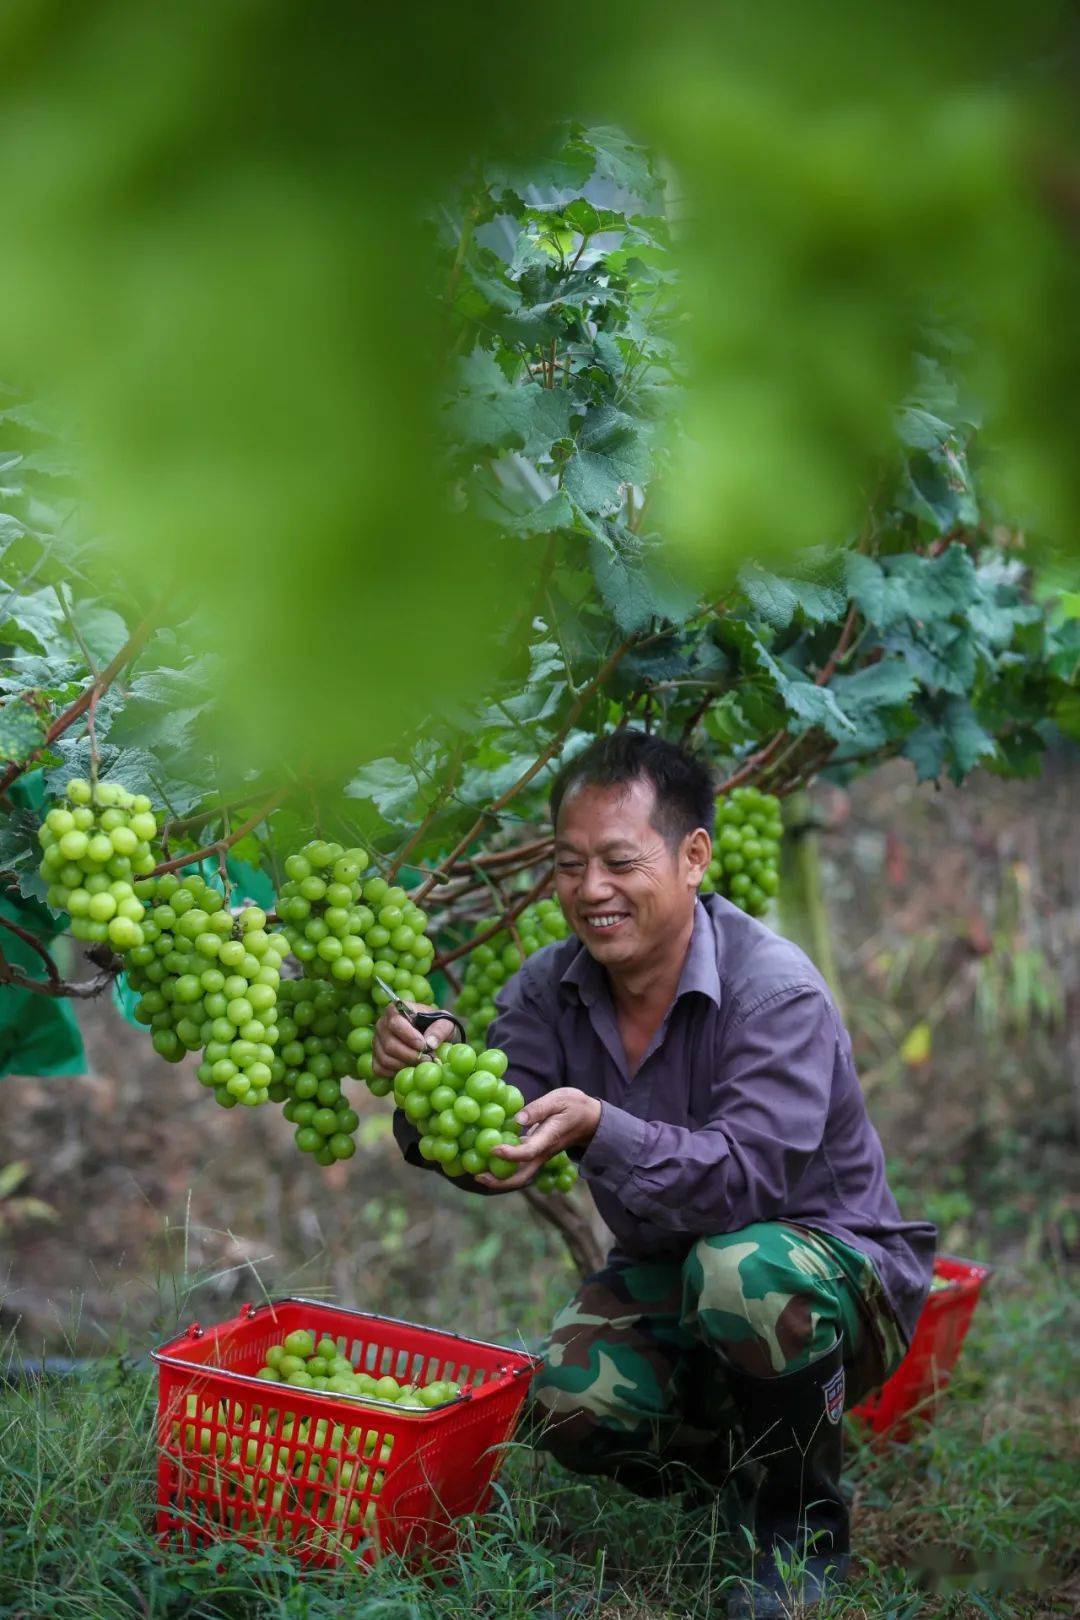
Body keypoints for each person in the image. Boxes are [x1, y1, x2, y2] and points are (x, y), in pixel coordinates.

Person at [373, 730, 936, 1618]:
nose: (590, 890)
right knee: (566, 1397)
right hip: (679, 1275)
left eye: (618, 861)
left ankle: (797, 1530)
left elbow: (745, 1184)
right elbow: (495, 1146)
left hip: (830, 1277)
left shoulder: (775, 993)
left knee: (740, 1270)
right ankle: (748, 1457)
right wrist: (426, 1076)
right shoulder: (546, 988)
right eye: (568, 864)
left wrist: (602, 1126)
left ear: (693, 857)